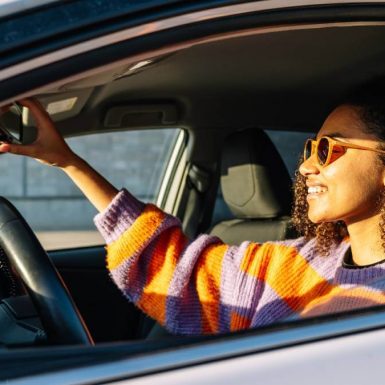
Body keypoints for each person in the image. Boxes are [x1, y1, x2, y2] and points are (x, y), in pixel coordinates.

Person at [2, 80, 385, 336]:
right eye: (307, 149)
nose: (305, 167)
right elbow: (181, 271)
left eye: (327, 149)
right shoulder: (302, 261)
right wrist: (69, 163)